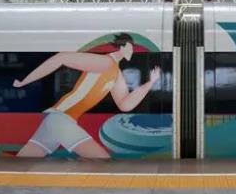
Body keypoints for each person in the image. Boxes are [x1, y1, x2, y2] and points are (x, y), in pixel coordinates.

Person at [13, 33, 160, 158]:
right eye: (130, 47)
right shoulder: (104, 61)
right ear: (122, 46)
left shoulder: (116, 73)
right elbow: (61, 57)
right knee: (103, 161)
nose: (132, 51)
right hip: (61, 119)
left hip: (58, 120)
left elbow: (125, 105)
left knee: (24, 161)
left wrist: (150, 83)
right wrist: (24, 81)